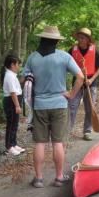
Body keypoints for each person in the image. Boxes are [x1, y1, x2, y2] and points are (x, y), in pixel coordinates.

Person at [23, 26, 84, 188]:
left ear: (41, 39)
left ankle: (38, 179)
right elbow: (80, 77)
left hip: (39, 106)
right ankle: (58, 177)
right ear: (56, 41)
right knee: (58, 142)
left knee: (39, 143)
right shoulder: (64, 56)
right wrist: (71, 94)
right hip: (59, 104)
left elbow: (24, 81)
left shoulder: (32, 58)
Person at [68, 27, 99, 141]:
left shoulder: (95, 51)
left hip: (90, 84)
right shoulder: (72, 50)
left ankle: (87, 131)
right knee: (72, 106)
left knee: (89, 108)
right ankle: (67, 130)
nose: (81, 39)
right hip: (77, 83)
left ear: (88, 39)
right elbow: (67, 66)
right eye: (79, 37)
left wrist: (91, 80)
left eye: (83, 38)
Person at [1, 54, 25, 156]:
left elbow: (16, 88)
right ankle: (9, 146)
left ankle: (13, 143)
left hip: (14, 101)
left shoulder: (12, 75)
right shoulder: (9, 76)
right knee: (11, 125)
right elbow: (12, 93)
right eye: (17, 64)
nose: (18, 66)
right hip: (11, 102)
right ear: (12, 65)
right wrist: (17, 105)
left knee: (15, 124)